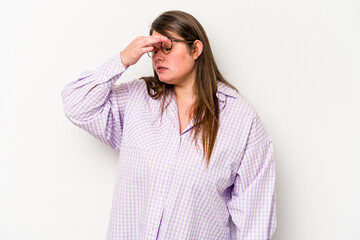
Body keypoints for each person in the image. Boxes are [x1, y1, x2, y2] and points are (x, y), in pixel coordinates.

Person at [61, 10, 276, 240]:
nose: (157, 57)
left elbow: (255, 220)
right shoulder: (138, 98)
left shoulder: (241, 119)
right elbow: (76, 105)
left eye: (167, 47)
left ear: (195, 49)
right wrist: (123, 58)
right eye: (153, 51)